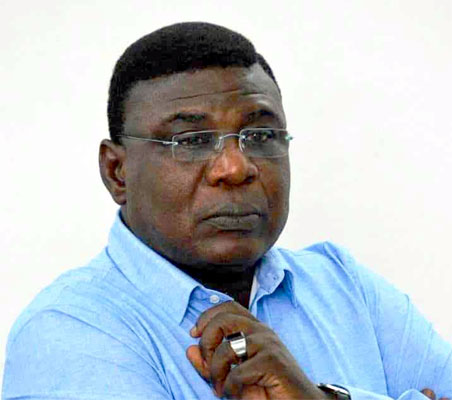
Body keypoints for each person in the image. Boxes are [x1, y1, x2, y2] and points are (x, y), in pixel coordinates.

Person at [2, 22, 451, 400]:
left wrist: (323, 397)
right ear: (117, 172)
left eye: (261, 136)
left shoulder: (344, 286)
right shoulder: (67, 332)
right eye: (192, 141)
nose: (235, 167)